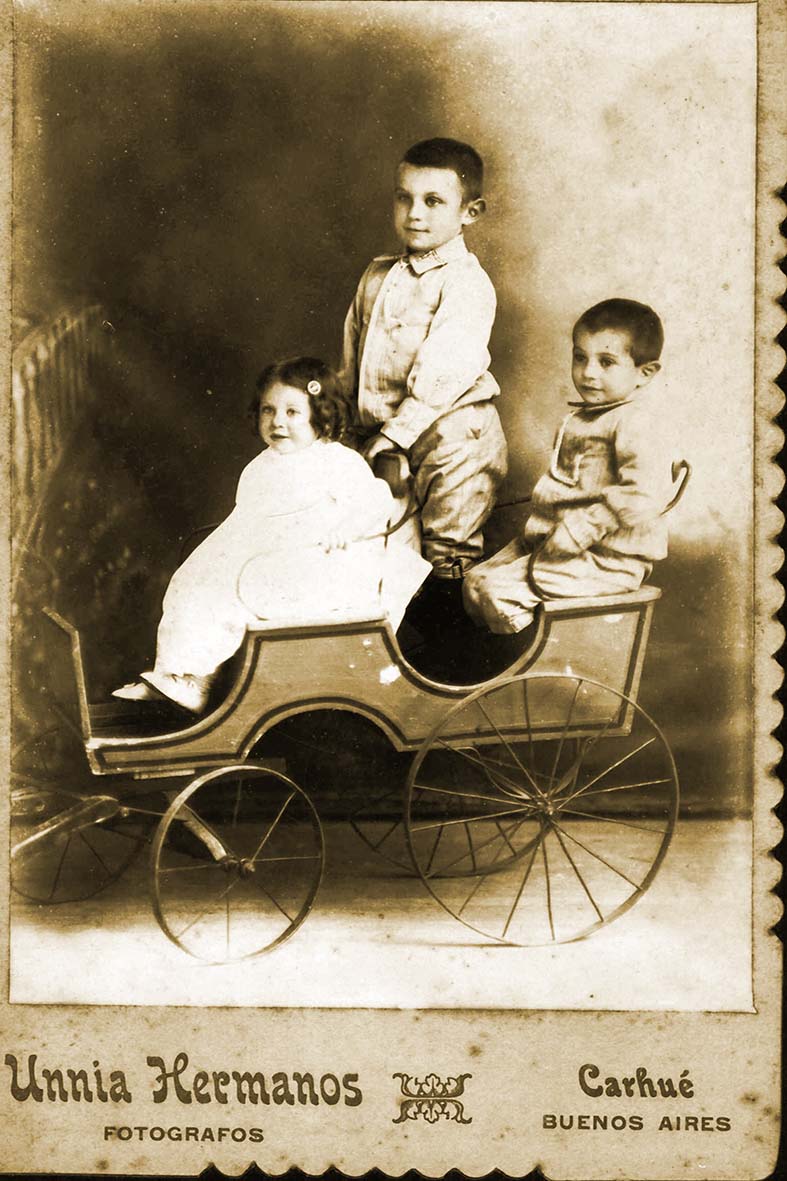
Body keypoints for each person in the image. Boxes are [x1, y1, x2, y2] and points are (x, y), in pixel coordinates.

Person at [112, 356, 430, 713]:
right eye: (268, 410)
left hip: (323, 569)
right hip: (274, 559)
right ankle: (178, 673)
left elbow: (376, 501)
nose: (278, 421)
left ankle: (196, 679)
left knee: (226, 591)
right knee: (192, 580)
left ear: (320, 415)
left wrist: (345, 529)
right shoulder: (262, 465)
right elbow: (248, 521)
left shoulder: (335, 461)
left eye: (292, 412)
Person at [341, 137, 508, 627]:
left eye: (433, 201)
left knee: (447, 550)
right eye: (404, 197)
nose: (415, 213)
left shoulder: (465, 282)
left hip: (454, 439)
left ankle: (454, 657)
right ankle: (397, 651)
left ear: (469, 212)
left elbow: (442, 373)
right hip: (388, 439)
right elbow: (353, 361)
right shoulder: (377, 276)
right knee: (388, 544)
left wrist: (394, 435)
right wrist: (347, 427)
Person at [463, 299, 677, 634]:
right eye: (580, 357)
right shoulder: (583, 418)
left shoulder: (636, 421)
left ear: (644, 372)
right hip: (554, 543)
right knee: (475, 580)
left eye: (606, 362)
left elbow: (644, 494)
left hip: (606, 560)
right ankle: (496, 647)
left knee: (495, 592)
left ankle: (532, 651)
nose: (588, 372)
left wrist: (579, 531)